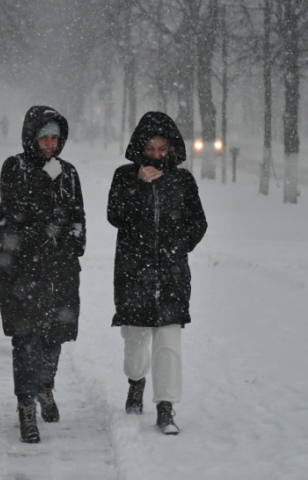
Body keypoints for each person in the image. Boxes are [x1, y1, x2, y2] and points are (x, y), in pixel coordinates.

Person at [107, 111, 207, 435]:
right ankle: (135, 383)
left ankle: (166, 407)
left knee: (168, 344)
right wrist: (138, 185)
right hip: (134, 273)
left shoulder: (182, 180)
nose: (157, 155)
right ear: (140, 146)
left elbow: (198, 223)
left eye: (163, 148)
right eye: (151, 148)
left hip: (172, 275)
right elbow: (115, 216)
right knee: (135, 340)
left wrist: (178, 246)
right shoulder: (124, 177)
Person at [0, 105, 86, 444]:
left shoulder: (69, 172)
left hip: (60, 270)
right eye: (43, 138)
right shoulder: (14, 167)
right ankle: (25, 407)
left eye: (54, 138)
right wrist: (44, 230)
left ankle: (45, 386)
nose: (50, 144)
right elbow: (13, 213)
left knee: (54, 337)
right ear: (31, 138)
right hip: (22, 271)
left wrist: (75, 241)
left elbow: (77, 214)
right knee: (27, 339)